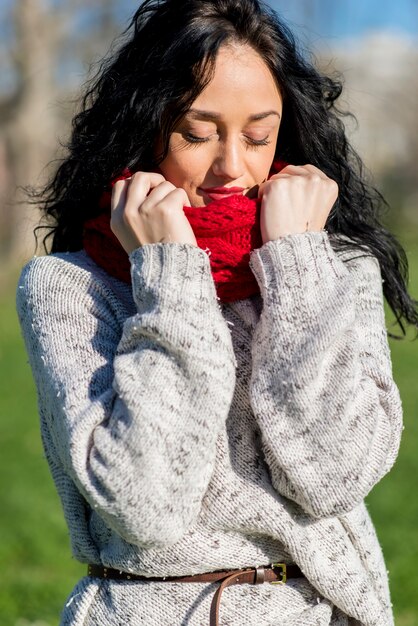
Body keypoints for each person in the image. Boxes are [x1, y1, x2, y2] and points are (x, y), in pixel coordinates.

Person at [16, 0, 418, 624]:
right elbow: (144, 508)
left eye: (259, 136)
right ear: (144, 130)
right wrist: (169, 277)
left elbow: (334, 476)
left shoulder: (333, 269)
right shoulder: (70, 287)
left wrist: (297, 265)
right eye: (197, 134)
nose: (233, 166)